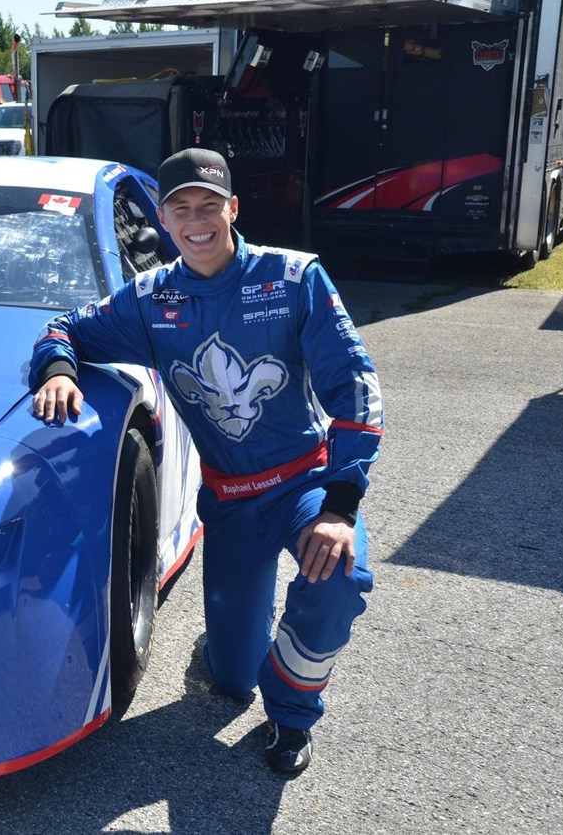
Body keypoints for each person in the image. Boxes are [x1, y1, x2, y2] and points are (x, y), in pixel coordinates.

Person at [29, 147, 382, 775]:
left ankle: (292, 713)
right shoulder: (150, 298)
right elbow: (64, 328)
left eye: (209, 206)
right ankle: (241, 648)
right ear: (164, 221)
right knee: (230, 679)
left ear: (233, 209)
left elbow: (357, 389)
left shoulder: (294, 278)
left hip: (303, 484)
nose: (197, 221)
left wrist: (340, 506)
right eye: (182, 209)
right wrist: (58, 370)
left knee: (340, 576)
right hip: (230, 503)